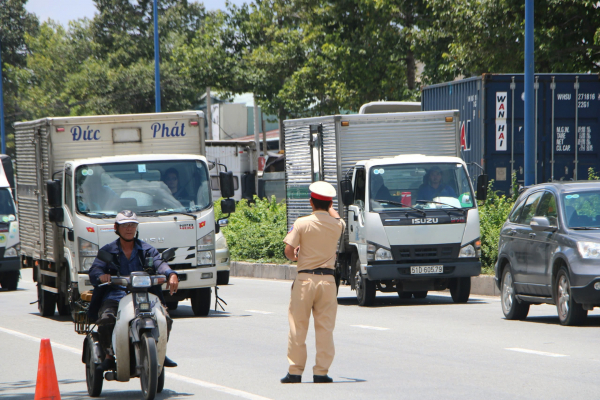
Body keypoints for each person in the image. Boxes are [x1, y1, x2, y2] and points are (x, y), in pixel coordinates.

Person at [88, 210, 180, 371]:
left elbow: (160, 263)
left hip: (145, 296)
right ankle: (109, 355)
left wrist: (171, 274)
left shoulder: (147, 250)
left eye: (132, 225)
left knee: (164, 318)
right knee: (107, 319)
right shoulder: (108, 250)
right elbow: (95, 270)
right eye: (125, 225)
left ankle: (159, 351)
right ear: (116, 227)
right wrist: (101, 276)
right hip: (116, 296)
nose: (129, 228)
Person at [281, 181, 346, 384]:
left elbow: (288, 251)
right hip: (328, 281)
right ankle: (321, 372)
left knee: (298, 327)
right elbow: (335, 215)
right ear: (329, 203)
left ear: (310, 202)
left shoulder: (302, 223)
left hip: (305, 280)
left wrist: (296, 257)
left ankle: (295, 371)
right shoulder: (338, 225)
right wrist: (329, 206)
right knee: (325, 328)